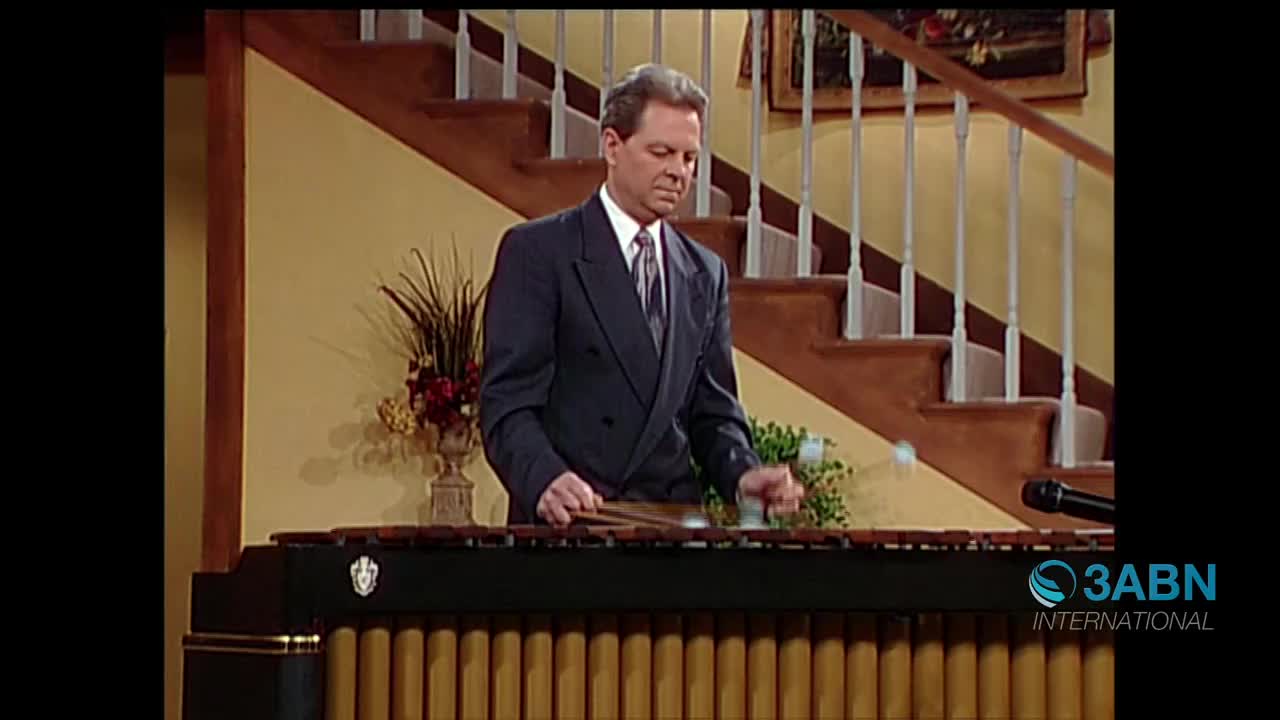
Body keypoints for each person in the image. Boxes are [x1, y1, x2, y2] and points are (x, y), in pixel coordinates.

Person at [479, 63, 803, 526]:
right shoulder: (540, 252)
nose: (679, 172)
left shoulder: (703, 273)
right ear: (613, 145)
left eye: (689, 158)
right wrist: (545, 477)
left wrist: (742, 474)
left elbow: (713, 413)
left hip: (671, 532)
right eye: (661, 152)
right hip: (572, 527)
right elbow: (506, 404)